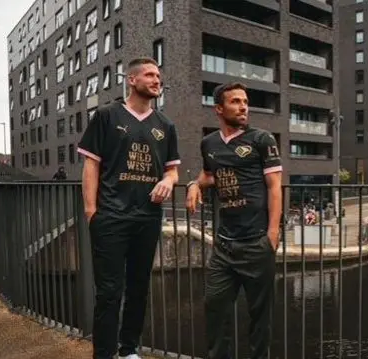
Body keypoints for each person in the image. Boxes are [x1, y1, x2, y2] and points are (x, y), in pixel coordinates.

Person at [77, 57, 180, 359]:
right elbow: (91, 165)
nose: (156, 80)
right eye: (149, 74)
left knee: (139, 288)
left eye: (159, 75)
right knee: (109, 292)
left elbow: (173, 169)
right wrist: (91, 212)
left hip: (147, 217)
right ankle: (104, 354)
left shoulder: (166, 125)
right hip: (110, 216)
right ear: (131, 80)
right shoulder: (107, 116)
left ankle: (129, 349)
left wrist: (169, 181)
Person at [186, 82, 282, 359]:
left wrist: (272, 234)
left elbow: (275, 186)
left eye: (245, 101)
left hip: (256, 244)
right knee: (215, 310)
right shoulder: (209, 143)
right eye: (235, 101)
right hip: (224, 246)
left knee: (259, 319)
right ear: (219, 108)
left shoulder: (262, 139)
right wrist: (194, 184)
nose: (243, 107)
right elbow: (210, 175)